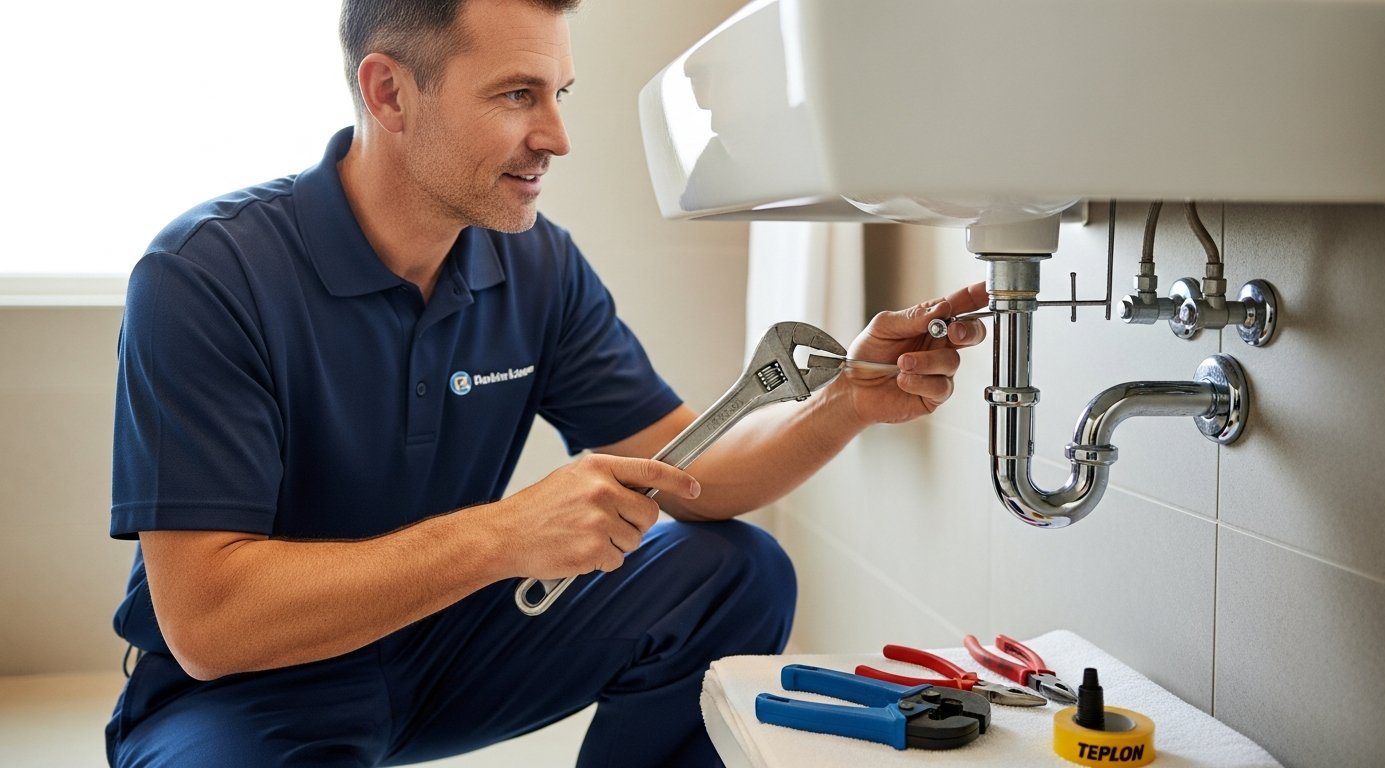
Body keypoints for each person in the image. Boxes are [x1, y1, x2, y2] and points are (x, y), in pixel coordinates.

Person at [104, 0, 989, 765]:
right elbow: (210, 623)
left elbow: (688, 476)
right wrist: (505, 536)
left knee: (733, 570)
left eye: (558, 94)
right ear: (389, 93)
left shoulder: (536, 266)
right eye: (516, 95)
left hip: (448, 648)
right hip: (244, 691)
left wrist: (844, 404)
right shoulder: (206, 275)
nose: (557, 137)